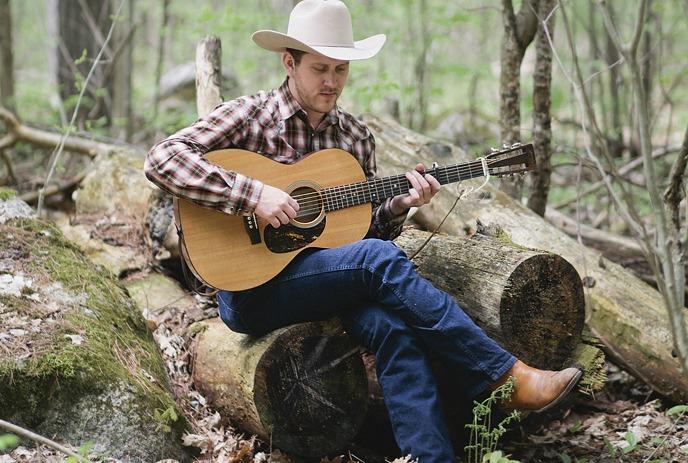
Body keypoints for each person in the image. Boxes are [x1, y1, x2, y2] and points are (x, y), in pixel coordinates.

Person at [145, 1, 582, 461]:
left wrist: (398, 206)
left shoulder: (355, 138)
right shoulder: (250, 115)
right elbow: (162, 158)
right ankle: (500, 375)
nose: (332, 81)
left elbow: (355, 235)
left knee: (395, 328)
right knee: (378, 262)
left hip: (323, 280)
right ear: (289, 62)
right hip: (251, 289)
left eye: (341, 69)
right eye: (320, 69)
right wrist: (253, 195)